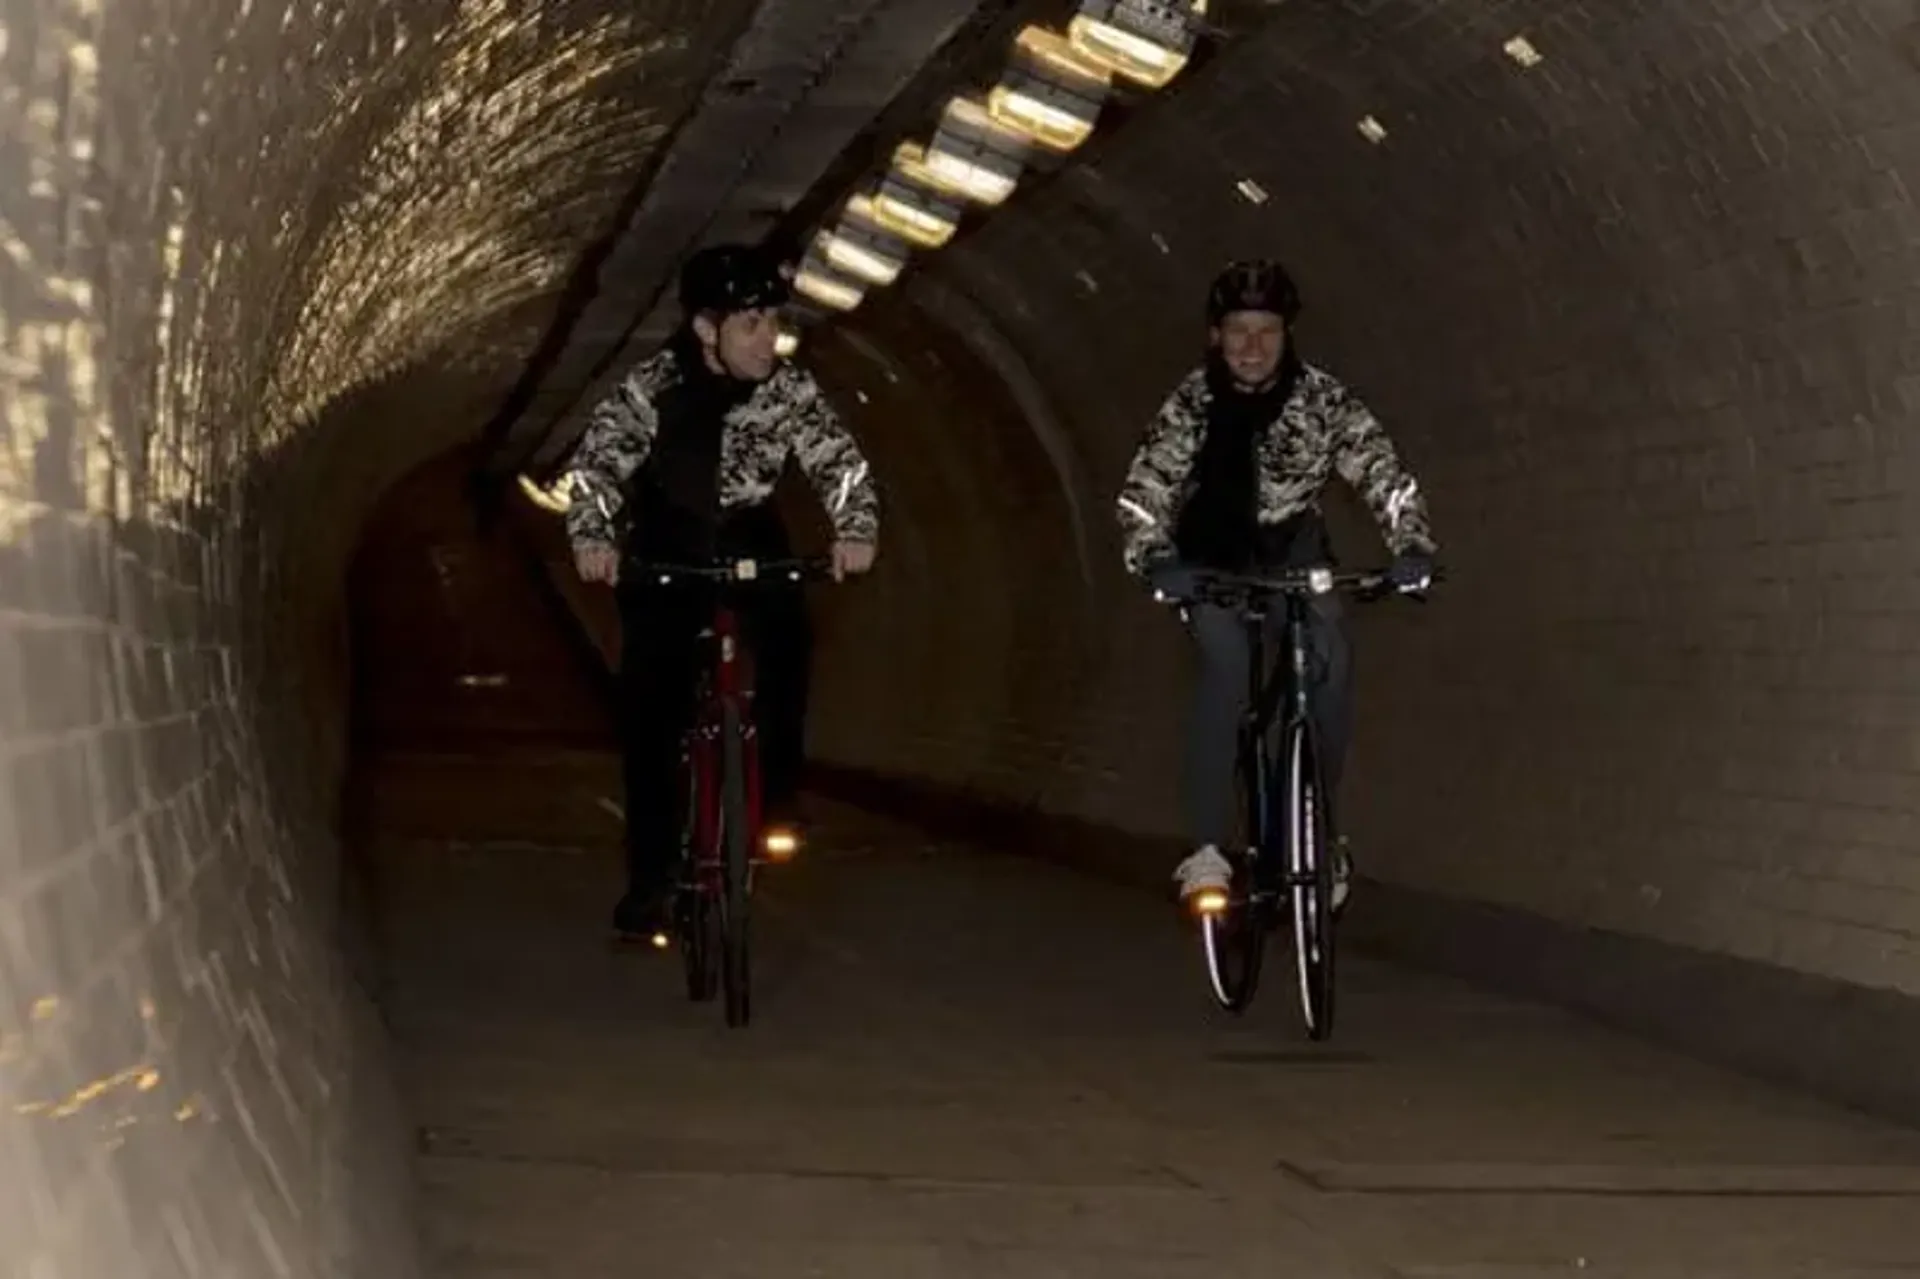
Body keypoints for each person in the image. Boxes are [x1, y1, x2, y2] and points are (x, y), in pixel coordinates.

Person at [564, 243, 879, 941]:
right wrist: (593, 537)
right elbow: (598, 467)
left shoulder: (786, 390)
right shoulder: (652, 388)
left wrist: (855, 528)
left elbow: (838, 462)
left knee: (790, 642)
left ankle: (775, 797)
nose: (770, 340)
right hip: (669, 540)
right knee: (652, 705)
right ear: (706, 328)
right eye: (751, 325)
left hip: (748, 530)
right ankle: (651, 875)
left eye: (775, 322)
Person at [1114, 259, 1437, 914]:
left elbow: (1383, 472)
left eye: (1267, 331)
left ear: (1287, 335)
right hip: (1214, 560)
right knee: (1228, 668)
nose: (1253, 347)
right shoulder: (1193, 404)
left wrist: (1411, 546)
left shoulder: (1322, 401)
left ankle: (1320, 833)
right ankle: (1208, 848)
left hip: (1293, 551)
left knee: (1331, 660)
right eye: (1239, 331)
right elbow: (1145, 492)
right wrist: (1155, 557)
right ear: (1216, 337)